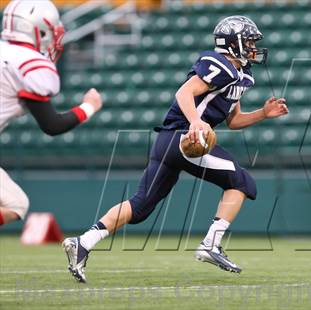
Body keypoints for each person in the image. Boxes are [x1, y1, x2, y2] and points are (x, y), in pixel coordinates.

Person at [63, 15, 288, 283]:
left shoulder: (242, 74)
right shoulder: (220, 65)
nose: (253, 47)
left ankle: (83, 242)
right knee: (242, 182)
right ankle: (210, 245)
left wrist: (263, 113)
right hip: (183, 138)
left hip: (168, 143)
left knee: (140, 206)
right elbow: (184, 92)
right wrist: (195, 121)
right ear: (232, 43)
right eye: (249, 41)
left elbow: (234, 120)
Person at [0, 0, 102, 226]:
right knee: (16, 205)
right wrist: (89, 106)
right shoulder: (28, 63)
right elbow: (52, 125)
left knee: (16, 204)